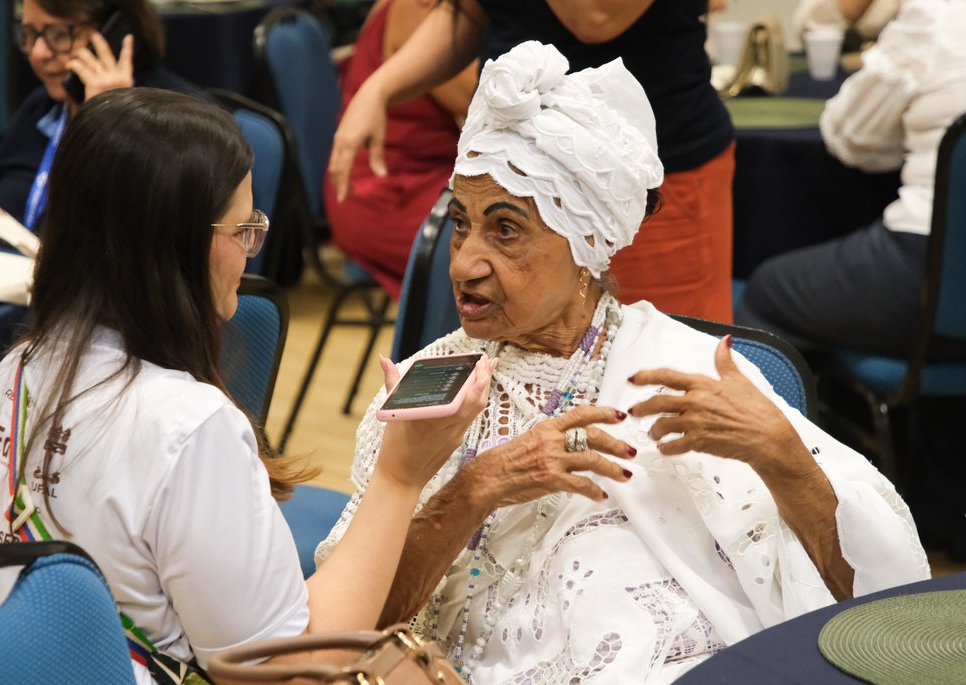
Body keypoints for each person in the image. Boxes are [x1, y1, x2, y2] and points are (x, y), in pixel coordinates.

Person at [0, 87, 629, 685]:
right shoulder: (187, 425)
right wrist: (404, 477)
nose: (252, 249)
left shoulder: (19, 369)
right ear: (171, 248)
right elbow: (292, 669)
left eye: (504, 228)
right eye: (242, 230)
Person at [318, 42, 929, 683]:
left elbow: (877, 606)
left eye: (506, 230)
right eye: (460, 221)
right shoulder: (432, 386)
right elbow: (347, 631)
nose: (465, 262)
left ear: (586, 246)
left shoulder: (682, 373)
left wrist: (782, 456)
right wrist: (476, 489)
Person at [329, 0, 735, 322]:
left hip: (631, 184)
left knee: (651, 381)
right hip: (508, 173)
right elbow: (472, 10)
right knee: (518, 376)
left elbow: (594, 15)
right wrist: (379, 87)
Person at [737, 0, 966, 360]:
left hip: (931, 272)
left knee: (768, 292)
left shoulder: (937, 17)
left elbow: (850, 136)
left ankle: (800, 414)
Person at [0, 0, 194, 227]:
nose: (38, 53)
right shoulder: (39, 107)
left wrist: (109, 123)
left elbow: (133, 238)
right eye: (28, 33)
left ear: (116, 31)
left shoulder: (178, 122)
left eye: (59, 34)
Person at [324, 0, 477, 299]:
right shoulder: (419, 8)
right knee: (513, 246)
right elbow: (479, 101)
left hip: (422, 177)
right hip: (384, 190)